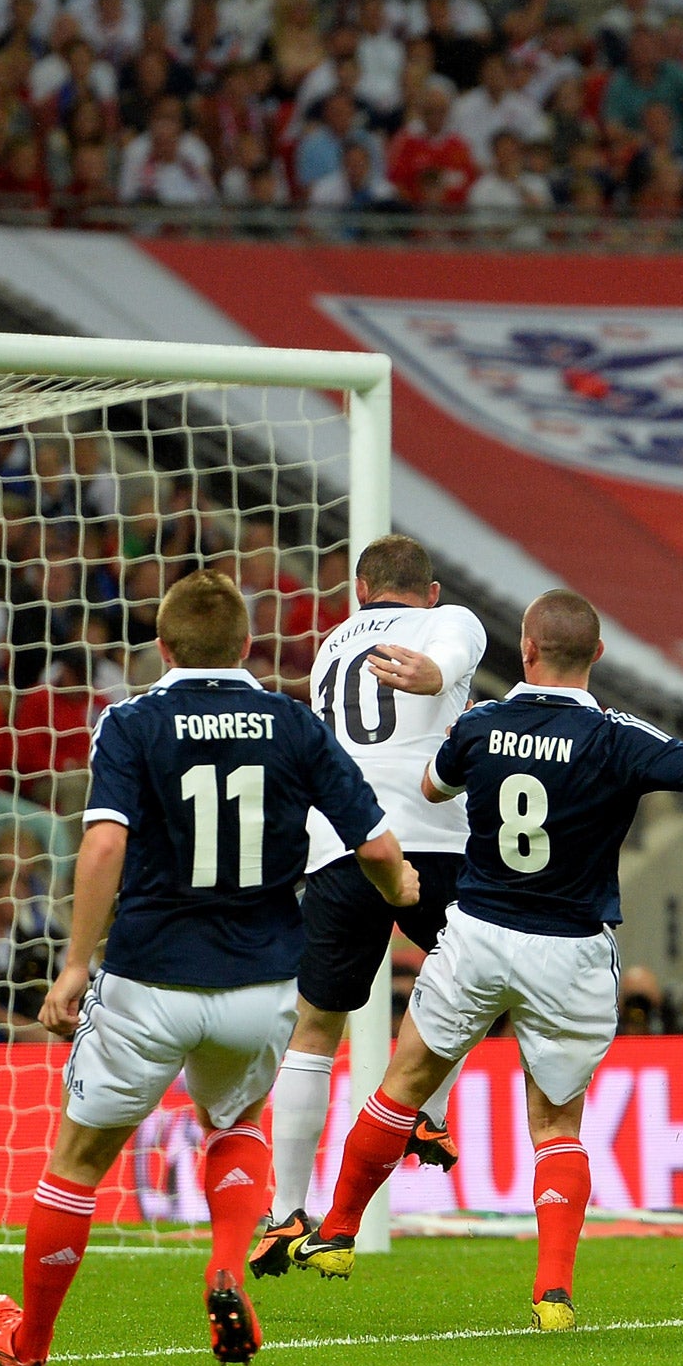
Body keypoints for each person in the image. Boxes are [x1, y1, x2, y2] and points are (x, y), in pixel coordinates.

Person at [289, 590, 683, 1326]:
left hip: (480, 935)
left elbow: (433, 785)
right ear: (599, 655)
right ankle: (552, 1292)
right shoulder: (619, 739)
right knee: (556, 1124)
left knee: (402, 1085)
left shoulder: (480, 725)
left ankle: (334, 1233)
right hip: (571, 951)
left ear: (525, 650)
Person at [0, 571, 417, 1366]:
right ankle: (224, 1265)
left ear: (162, 645)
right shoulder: (292, 722)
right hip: (259, 985)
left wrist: (75, 965)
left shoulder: (133, 722)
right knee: (238, 1123)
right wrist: (402, 889)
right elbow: (379, 847)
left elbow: (105, 845)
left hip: (149, 977)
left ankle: (29, 1345)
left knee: (79, 1160)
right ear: (246, 644)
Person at [249, 535, 486, 1276]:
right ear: (432, 590)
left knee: (316, 1027)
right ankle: (426, 1110)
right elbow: (449, 652)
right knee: (478, 979)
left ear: (360, 589)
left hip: (339, 844)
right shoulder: (453, 623)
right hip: (432, 837)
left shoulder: (328, 645)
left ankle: (286, 1210)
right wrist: (434, 675)